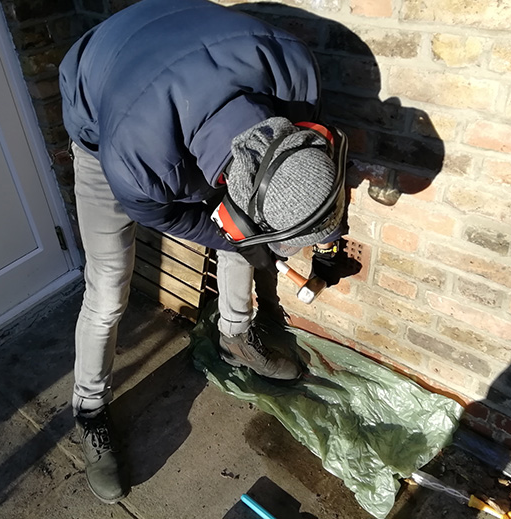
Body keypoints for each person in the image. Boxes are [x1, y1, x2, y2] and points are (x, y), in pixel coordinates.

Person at [59, 0, 348, 504]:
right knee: (107, 290)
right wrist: (238, 236)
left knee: (244, 232)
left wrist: (286, 233)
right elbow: (172, 217)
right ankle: (88, 409)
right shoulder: (133, 164)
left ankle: (236, 339)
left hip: (178, 64)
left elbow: (290, 190)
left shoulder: (298, 77)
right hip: (103, 112)